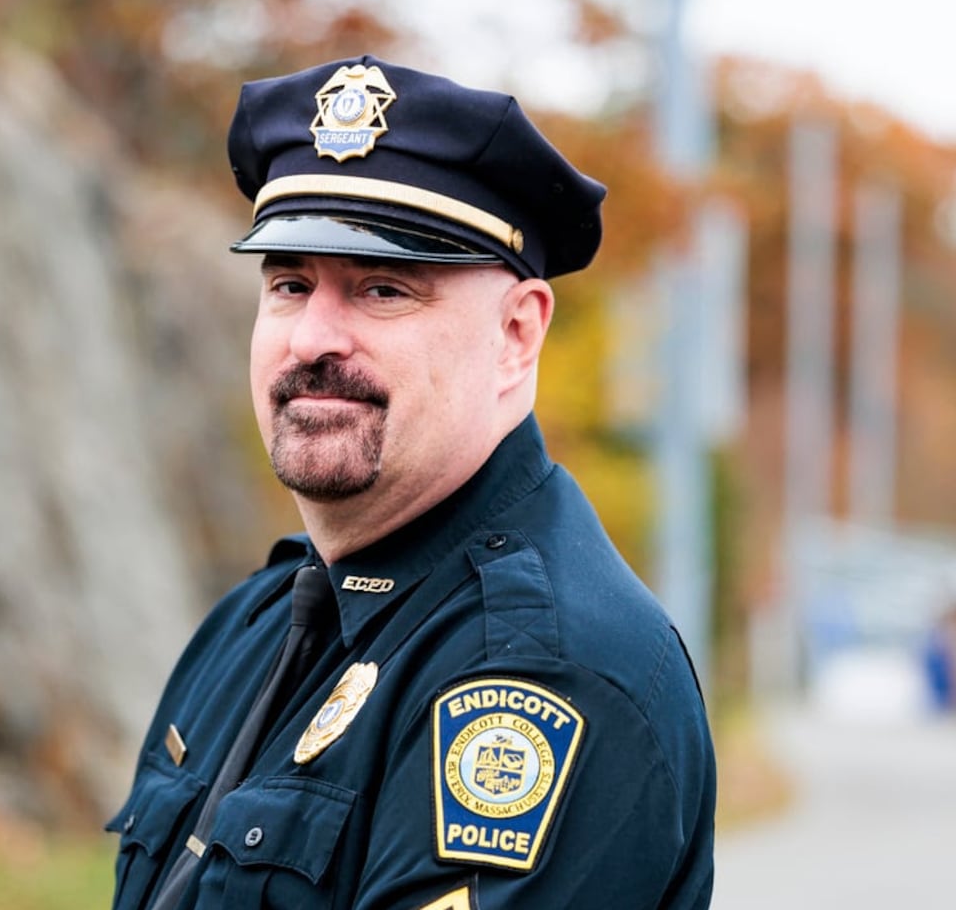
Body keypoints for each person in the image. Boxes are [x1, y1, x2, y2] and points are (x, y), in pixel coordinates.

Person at [106, 55, 715, 909]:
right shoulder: (257, 620)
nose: (313, 338)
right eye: (288, 284)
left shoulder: (540, 674)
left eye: (382, 288)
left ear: (515, 333)